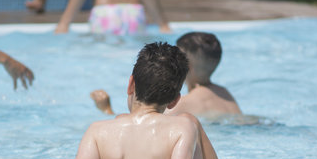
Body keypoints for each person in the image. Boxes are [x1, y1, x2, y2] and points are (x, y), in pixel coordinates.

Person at [44, 42, 228, 159]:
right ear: (175, 100)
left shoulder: (98, 131)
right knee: (190, 120)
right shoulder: (182, 127)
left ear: (131, 84)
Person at [91, 32, 262, 123]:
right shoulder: (224, 93)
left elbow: (140, 123)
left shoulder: (186, 102)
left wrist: (106, 110)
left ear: (186, 67)